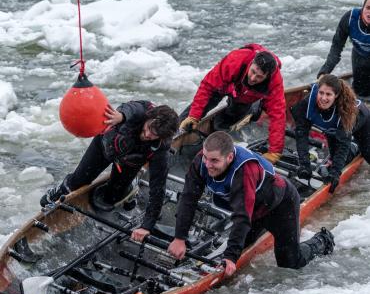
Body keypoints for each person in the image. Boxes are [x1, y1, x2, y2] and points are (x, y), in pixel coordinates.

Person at [164, 131, 334, 277]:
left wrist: (231, 257)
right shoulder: (201, 161)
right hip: (253, 209)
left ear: (229, 157)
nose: (208, 165)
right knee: (238, 247)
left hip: (280, 206)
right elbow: (188, 199)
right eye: (206, 158)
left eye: (214, 161)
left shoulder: (244, 171)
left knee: (290, 263)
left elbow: (242, 216)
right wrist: (180, 237)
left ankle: (323, 240)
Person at [40, 100, 179, 241]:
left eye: (155, 135)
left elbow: (158, 187)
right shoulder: (141, 111)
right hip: (105, 146)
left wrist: (147, 226)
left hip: (129, 163)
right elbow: (132, 108)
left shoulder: (161, 149)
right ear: (148, 117)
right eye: (149, 128)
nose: (148, 134)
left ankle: (131, 185)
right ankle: (60, 189)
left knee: (110, 199)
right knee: (79, 181)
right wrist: (122, 116)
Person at [179, 43, 286, 164]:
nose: (253, 78)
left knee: (230, 118)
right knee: (198, 109)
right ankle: (175, 130)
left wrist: (275, 151)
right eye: (253, 72)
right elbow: (207, 86)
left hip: (245, 98)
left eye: (259, 77)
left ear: (267, 76)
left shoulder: (275, 82)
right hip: (225, 86)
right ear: (251, 64)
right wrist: (194, 115)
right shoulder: (236, 59)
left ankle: (216, 138)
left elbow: (278, 115)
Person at [291, 74, 370, 193]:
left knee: (366, 152)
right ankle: (351, 149)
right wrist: (304, 165)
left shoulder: (346, 111)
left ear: (336, 95)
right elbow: (301, 134)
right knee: (335, 156)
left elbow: (343, 144)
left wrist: (335, 173)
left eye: (328, 94)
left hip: (361, 121)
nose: (323, 98)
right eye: (321, 93)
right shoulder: (306, 103)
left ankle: (355, 146)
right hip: (332, 129)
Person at [317, 0, 370, 98]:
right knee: (360, 93)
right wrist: (324, 72)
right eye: (368, 8)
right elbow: (336, 48)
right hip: (359, 57)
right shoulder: (349, 19)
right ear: (362, 8)